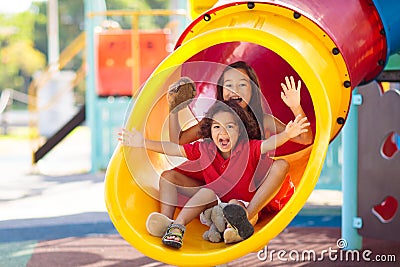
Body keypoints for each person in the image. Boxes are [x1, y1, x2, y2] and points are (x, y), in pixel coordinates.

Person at [148, 61, 313, 242]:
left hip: (249, 196)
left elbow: (305, 139)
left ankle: (244, 218)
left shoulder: (263, 120)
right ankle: (169, 226)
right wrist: (174, 111)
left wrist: (295, 106)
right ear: (221, 91)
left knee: (281, 165)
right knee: (168, 177)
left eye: (242, 84)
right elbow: (178, 141)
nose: (235, 90)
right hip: (215, 194)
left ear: (253, 91)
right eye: (228, 85)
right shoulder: (212, 121)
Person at [119, 100, 310, 248]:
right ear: (209, 131)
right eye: (217, 126)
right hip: (213, 205)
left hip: (241, 207)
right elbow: (174, 148)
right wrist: (142, 142)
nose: (223, 131)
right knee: (179, 181)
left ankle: (236, 229)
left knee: (234, 207)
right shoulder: (205, 148)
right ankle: (173, 226)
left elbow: (270, 143)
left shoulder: (248, 148)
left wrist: (287, 134)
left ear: (241, 131)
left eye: (230, 126)